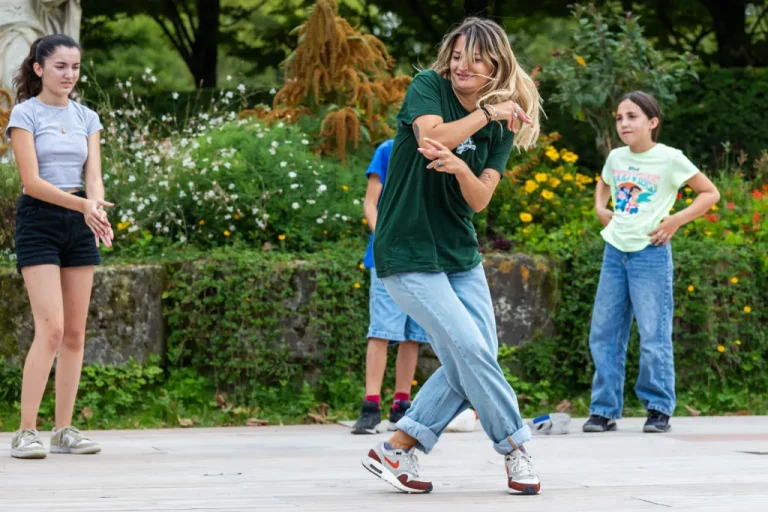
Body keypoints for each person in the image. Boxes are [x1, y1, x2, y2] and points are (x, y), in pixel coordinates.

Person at [360, 17, 543, 495]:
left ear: (496, 65)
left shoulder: (501, 130)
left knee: (478, 353)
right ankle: (515, 447)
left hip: (459, 253)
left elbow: (479, 199)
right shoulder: (428, 87)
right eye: (458, 55)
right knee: (471, 350)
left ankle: (399, 446)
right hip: (407, 249)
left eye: (477, 59)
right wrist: (487, 112)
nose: (463, 65)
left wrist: (463, 168)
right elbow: (431, 138)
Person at [583, 91, 720, 434]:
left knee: (653, 335)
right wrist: (600, 208)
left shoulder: (670, 158)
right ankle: (603, 410)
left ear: (652, 122)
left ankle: (658, 408)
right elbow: (604, 182)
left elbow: (710, 193)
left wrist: (675, 221)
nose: (624, 124)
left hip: (650, 254)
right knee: (604, 333)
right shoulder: (616, 157)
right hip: (615, 252)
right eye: (619, 118)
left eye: (632, 117)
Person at [6, 34, 114, 459]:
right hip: (40, 220)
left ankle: (63, 430)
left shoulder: (87, 117)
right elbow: (31, 182)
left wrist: (96, 208)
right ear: (39, 69)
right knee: (50, 329)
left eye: (75, 67)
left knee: (74, 334)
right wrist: (83, 205)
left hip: (80, 220)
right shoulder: (25, 114)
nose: (70, 74)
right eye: (60, 66)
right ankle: (25, 432)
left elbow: (94, 176)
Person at [351, 139, 429, 435]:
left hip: (423, 257)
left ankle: (401, 406)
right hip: (387, 256)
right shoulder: (387, 150)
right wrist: (384, 237)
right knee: (382, 330)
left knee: (413, 333)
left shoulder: (438, 152)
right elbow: (370, 204)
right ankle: (370, 407)